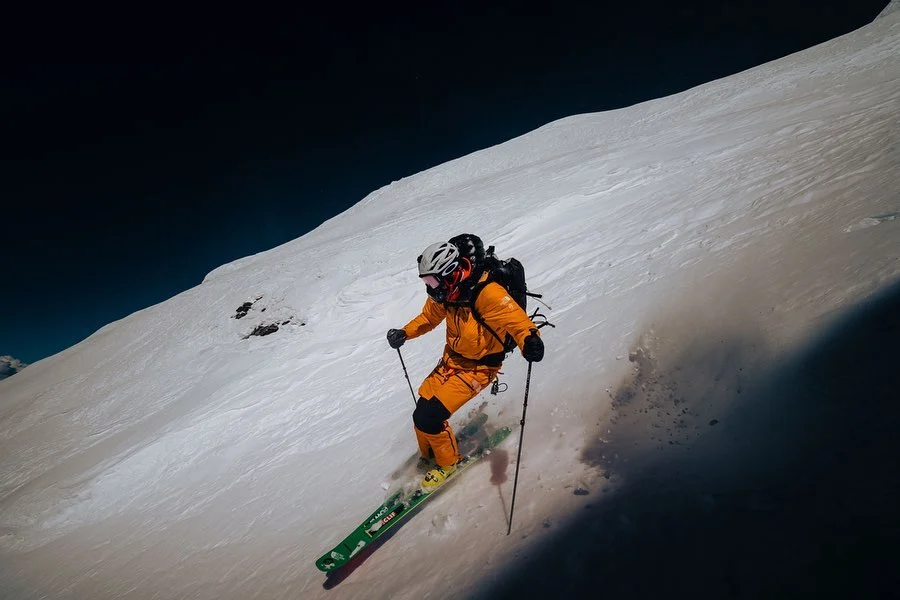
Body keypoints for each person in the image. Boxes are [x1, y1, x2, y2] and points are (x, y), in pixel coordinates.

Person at [386, 234, 544, 490]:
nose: (428, 286)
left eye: (431, 280)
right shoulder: (445, 293)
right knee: (421, 411)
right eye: (425, 280)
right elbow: (428, 318)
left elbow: (517, 321)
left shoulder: (487, 293)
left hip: (479, 368)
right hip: (451, 361)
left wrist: (530, 340)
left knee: (430, 417)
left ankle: (448, 464)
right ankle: (429, 456)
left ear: (449, 273)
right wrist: (405, 332)